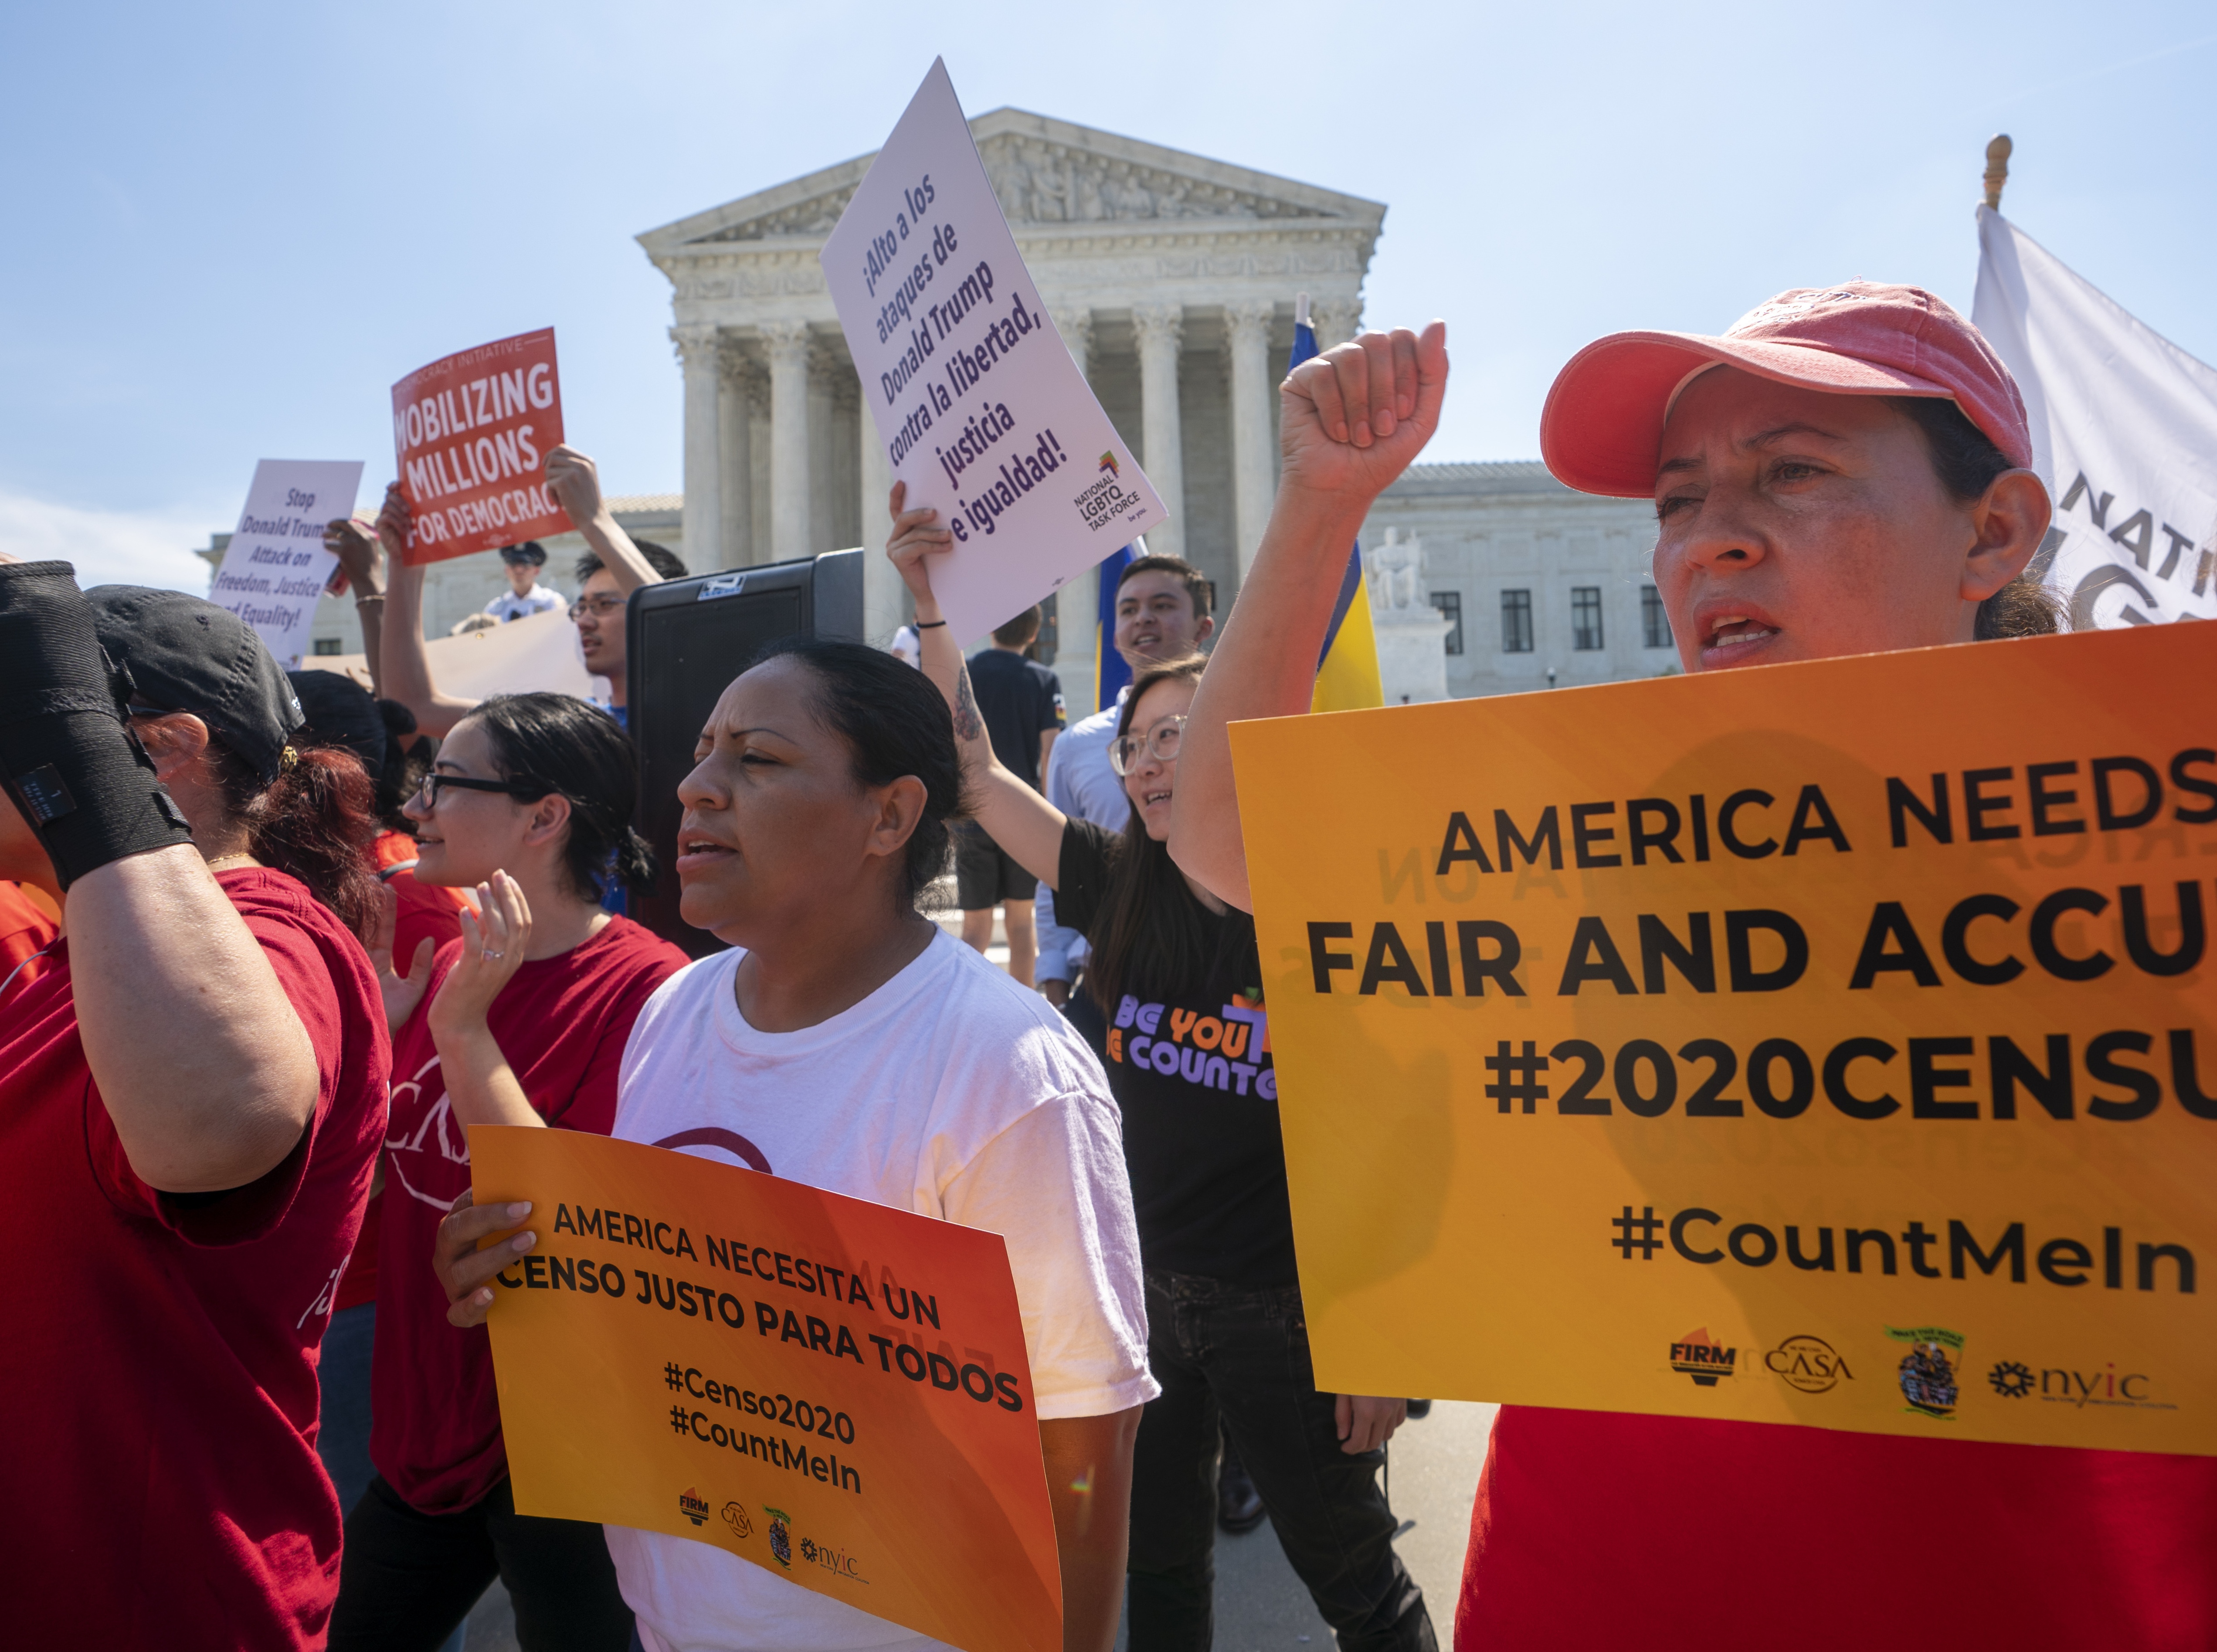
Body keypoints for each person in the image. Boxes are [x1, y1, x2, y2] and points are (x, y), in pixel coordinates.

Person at [1169, 286, 2216, 1647]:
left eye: (1794, 472)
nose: (1710, 539)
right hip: (1589, 1589)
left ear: (1994, 530)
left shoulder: (2156, 870)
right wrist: (1323, 503)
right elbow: (1222, 830)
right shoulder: (1577, 856)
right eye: (1674, 502)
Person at [431, 638, 1155, 1652]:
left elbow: (1086, 1427)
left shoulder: (1008, 1070)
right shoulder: (673, 1010)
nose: (693, 788)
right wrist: (520, 1265)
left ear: (890, 815)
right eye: (699, 753)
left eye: (756, 760)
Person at [885, 511, 1435, 1652]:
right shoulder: (1110, 879)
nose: (1148, 762)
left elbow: (1401, 1131)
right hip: (1136, 1294)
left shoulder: (1319, 917)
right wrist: (927, 598)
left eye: (1179, 738)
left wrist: (1385, 1334)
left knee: (1349, 1571)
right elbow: (973, 771)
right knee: (1158, 1562)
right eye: (1135, 743)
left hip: (1282, 1311)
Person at [0, 567, 388, 1649]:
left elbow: (218, 1131)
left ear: (163, 753)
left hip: (153, 1605)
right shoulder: (71, 960)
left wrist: (72, 764)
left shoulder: (270, 938)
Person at [329, 692, 688, 1652]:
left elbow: (555, 1223)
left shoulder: (650, 989)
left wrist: (458, 1030)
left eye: (445, 781)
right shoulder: (446, 956)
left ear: (544, 816)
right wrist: (376, 1041)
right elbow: (388, 1177)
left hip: (560, 1459)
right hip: (419, 1436)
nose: (417, 807)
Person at [292, 668, 470, 1520]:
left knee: (365, 1542)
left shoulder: (410, 909)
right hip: (336, 1280)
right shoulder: (351, 892)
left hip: (364, 1285)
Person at [379, 445, 686, 735]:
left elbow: (687, 643)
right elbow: (412, 707)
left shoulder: (708, 717)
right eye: (582, 607)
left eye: (604, 605)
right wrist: (405, 563)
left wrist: (595, 521)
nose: (584, 621)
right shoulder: (578, 728)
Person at [1034, 554, 1214, 1013]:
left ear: (1203, 626)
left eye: (1161, 604)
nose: (1144, 618)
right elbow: (1055, 863)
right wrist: (1055, 976)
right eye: (1129, 609)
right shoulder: (1075, 747)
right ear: (1113, 634)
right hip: (1109, 982)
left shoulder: (1234, 730)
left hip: (1220, 976)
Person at [954, 600, 1065, 985]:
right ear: (1034, 635)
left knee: (974, 927)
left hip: (972, 809)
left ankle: (959, 1007)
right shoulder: (1043, 679)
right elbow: (1051, 749)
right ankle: (1022, 1006)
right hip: (1022, 809)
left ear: (991, 629)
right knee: (1021, 922)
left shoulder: (966, 674)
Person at [487, 540, 568, 622]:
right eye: (513, 564)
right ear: (506, 570)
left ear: (537, 571)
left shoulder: (551, 602)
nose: (519, 570)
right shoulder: (495, 609)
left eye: (526, 565)